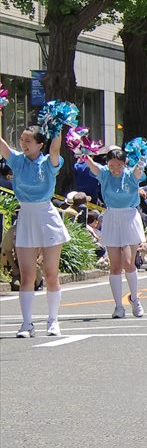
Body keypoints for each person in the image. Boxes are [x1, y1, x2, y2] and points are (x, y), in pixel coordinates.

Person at [0, 124, 71, 337]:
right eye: (22, 140)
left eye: (28, 140)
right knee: (27, 275)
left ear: (40, 144)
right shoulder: (17, 160)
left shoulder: (49, 162)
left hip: (46, 216)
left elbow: (55, 149)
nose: (23, 143)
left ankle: (53, 320)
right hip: (26, 216)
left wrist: (58, 127)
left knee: (50, 273)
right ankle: (26, 323)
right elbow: (2, 145)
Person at [81, 146, 147, 317]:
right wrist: (85, 155)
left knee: (128, 262)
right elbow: (93, 167)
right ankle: (118, 305)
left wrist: (142, 160)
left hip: (129, 216)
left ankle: (134, 298)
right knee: (115, 265)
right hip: (112, 216)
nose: (115, 169)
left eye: (119, 165)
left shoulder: (131, 174)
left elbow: (138, 172)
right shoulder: (105, 174)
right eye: (112, 166)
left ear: (125, 163)